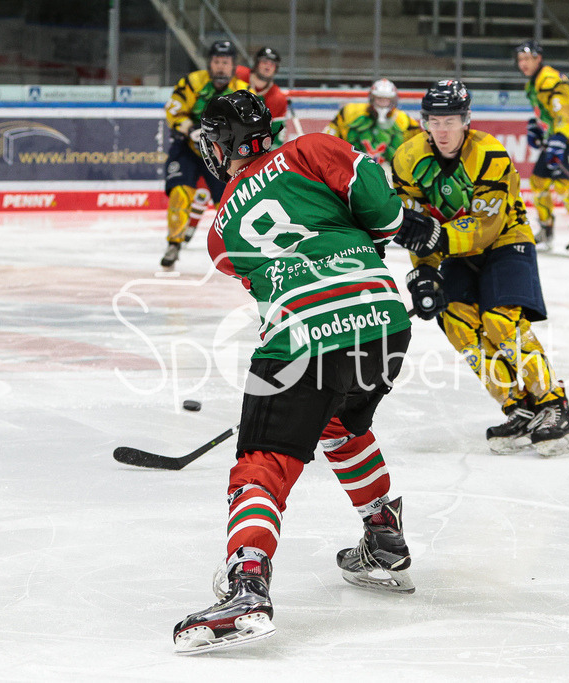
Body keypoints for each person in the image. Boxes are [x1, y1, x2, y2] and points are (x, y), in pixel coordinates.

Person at [173, 90, 416, 654]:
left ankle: (247, 584)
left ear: (227, 145)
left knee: (263, 461)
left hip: (303, 336)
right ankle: (383, 536)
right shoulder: (311, 149)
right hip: (384, 322)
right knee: (339, 426)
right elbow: (379, 206)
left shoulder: (218, 231)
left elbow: (258, 275)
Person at [390, 80, 569, 457]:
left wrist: (433, 240)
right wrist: (425, 272)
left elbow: (484, 227)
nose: (442, 130)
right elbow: (417, 231)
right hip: (455, 249)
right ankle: (520, 408)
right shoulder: (406, 159)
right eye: (435, 120)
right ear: (424, 121)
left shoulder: (491, 155)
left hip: (506, 241)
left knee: (500, 320)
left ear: (466, 120)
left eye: (451, 121)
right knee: (455, 319)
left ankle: (555, 405)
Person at [160, 40, 248, 269]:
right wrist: (190, 129)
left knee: (230, 202)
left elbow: (249, 125)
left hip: (222, 155)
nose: (220, 67)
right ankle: (174, 243)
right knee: (180, 192)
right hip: (188, 150)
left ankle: (235, 248)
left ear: (233, 66)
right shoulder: (191, 82)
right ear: (209, 64)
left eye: (225, 62)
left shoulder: (243, 91)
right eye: (216, 61)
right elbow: (173, 109)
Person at [514, 41, 569, 253]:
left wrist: (558, 138)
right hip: (557, 137)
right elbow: (548, 113)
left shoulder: (549, 80)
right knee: (538, 182)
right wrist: (539, 128)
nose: (523, 64)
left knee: (564, 187)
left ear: (538, 59)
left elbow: (564, 112)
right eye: (520, 59)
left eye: (527, 59)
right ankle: (546, 230)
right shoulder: (533, 83)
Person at [324, 78, 422, 167]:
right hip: (351, 165)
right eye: (379, 99)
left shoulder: (404, 120)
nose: (382, 104)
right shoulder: (351, 112)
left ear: (393, 100)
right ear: (372, 98)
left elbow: (419, 144)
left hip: (387, 169)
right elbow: (329, 134)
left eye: (386, 100)